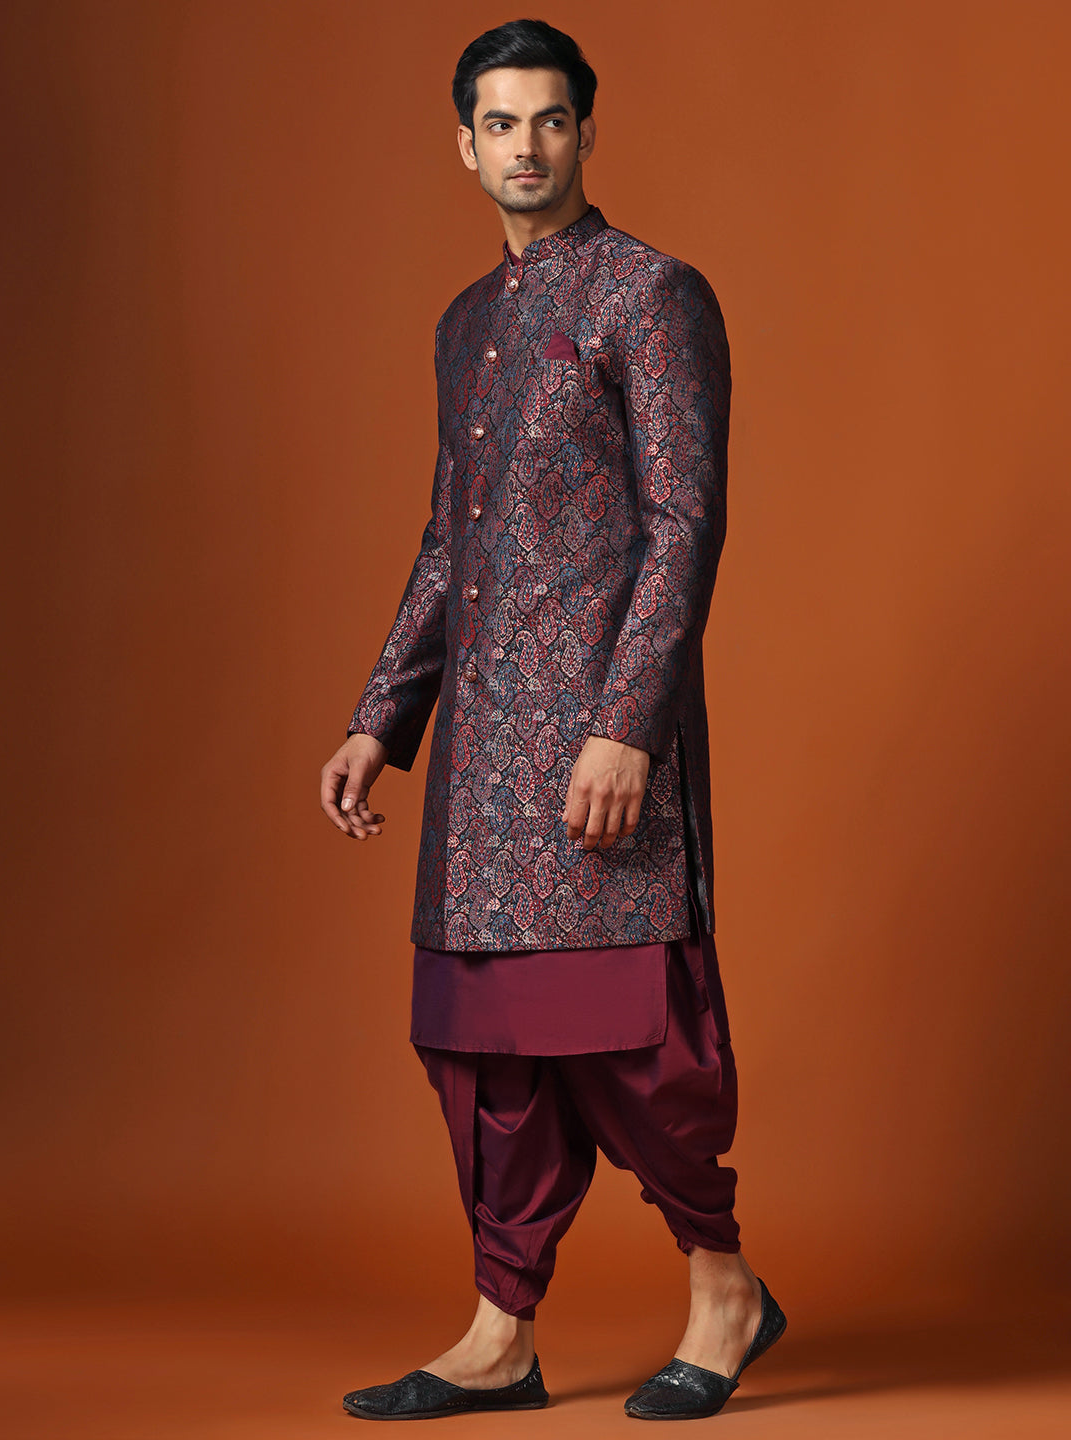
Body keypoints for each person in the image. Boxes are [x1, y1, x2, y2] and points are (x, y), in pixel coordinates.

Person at [319, 17, 786, 1422]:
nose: (526, 146)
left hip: (596, 745)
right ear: (463, 145)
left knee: (640, 1044)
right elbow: (448, 542)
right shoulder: (466, 324)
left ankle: (725, 1288)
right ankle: (500, 1333)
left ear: (585, 133)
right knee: (487, 1054)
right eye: (500, 124)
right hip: (480, 759)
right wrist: (380, 718)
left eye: (551, 120)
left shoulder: (652, 293)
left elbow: (685, 522)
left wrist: (627, 723)